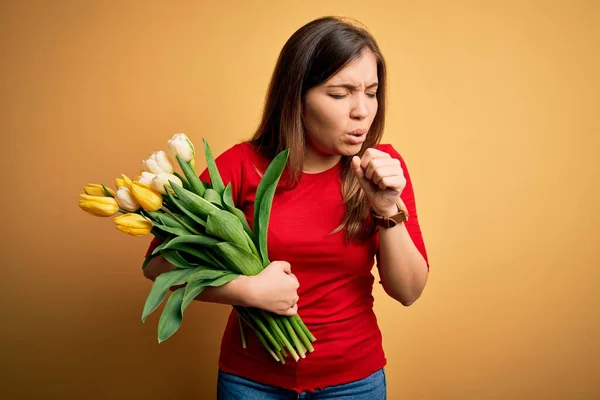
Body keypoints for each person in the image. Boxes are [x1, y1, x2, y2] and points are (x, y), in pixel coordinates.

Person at [143, 15, 429, 400]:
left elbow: (408, 290)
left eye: (372, 92)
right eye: (340, 93)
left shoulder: (383, 170)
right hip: (251, 382)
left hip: (354, 382)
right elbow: (158, 265)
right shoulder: (241, 165)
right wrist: (247, 290)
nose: (362, 110)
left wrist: (386, 209)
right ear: (297, 96)